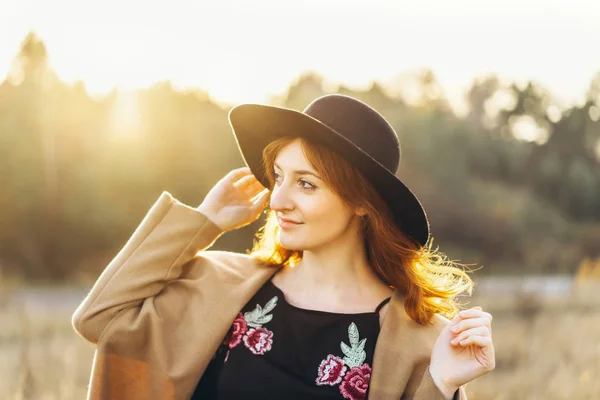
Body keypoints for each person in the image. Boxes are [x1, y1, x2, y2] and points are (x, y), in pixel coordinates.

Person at [72, 94, 495, 400]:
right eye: (278, 177)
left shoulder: (421, 340)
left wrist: (440, 385)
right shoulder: (217, 284)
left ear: (363, 202)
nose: (277, 200)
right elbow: (98, 318)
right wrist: (202, 222)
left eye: (306, 184)